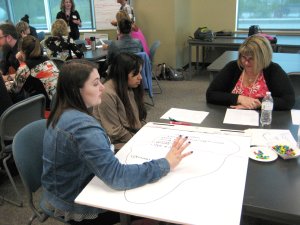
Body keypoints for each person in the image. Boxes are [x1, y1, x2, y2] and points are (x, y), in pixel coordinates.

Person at [41, 59, 192, 225]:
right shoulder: (82, 126)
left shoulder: (63, 110)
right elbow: (117, 177)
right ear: (75, 90)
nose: (102, 87)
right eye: (95, 83)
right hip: (75, 202)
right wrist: (166, 163)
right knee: (163, 206)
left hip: (62, 189)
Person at [206, 35, 295, 110]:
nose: (246, 62)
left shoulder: (273, 70)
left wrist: (258, 103)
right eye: (243, 57)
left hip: (262, 121)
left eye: (251, 59)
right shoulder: (233, 67)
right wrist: (239, 98)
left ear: (263, 58)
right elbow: (211, 94)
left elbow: (288, 101)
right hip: (232, 117)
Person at [93, 52, 146, 151]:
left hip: (130, 135)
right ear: (122, 74)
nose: (140, 77)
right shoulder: (107, 93)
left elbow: (138, 119)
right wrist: (140, 140)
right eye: (135, 74)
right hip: (115, 143)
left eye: (140, 72)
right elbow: (114, 131)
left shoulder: (128, 87)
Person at [8, 35, 59, 109]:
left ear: (21, 51)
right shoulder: (47, 59)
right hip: (59, 103)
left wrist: (7, 84)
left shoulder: (25, 67)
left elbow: (14, 90)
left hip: (46, 108)